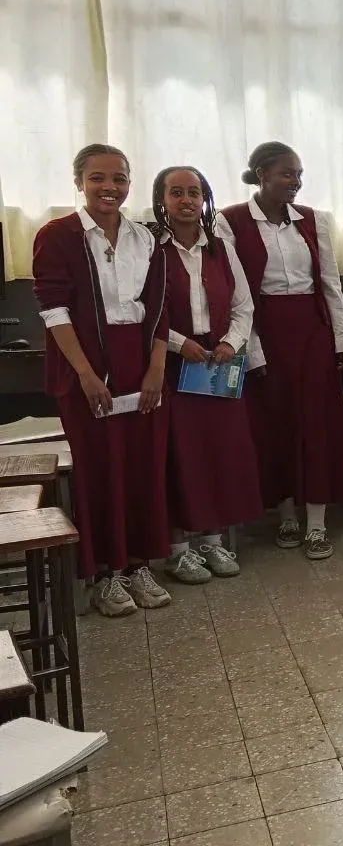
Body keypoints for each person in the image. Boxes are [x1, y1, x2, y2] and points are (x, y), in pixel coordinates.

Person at [33, 145, 172, 616]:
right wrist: (87, 375)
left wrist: (156, 367)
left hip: (140, 360)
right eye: (97, 178)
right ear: (79, 182)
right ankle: (103, 574)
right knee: (99, 471)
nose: (109, 187)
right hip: (85, 365)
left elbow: (158, 308)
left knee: (141, 468)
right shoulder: (58, 235)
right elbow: (53, 310)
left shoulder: (146, 238)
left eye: (119, 178)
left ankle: (137, 564)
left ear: (130, 183)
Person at [219, 142, 343, 561]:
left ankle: (316, 523)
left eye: (298, 174)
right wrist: (253, 348)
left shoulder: (314, 221)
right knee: (275, 423)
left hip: (312, 330)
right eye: (286, 173)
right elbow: (236, 291)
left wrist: (342, 336)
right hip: (265, 328)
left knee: (315, 425)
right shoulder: (231, 221)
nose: (295, 182)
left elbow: (329, 280)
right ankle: (286, 516)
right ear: (261, 174)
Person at [153, 166, 260, 585]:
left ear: (205, 199)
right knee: (180, 456)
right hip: (173, 363)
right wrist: (182, 345)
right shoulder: (151, 248)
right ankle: (179, 551)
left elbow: (243, 305)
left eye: (194, 193)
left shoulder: (221, 248)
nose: (186, 201)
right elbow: (145, 311)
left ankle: (213, 542)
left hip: (218, 362)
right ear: (161, 199)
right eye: (175, 192)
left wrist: (231, 343)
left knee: (217, 454)